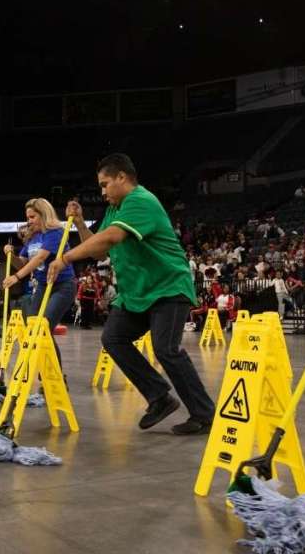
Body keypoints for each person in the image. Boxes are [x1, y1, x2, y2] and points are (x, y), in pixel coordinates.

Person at [48, 153, 216, 435]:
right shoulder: (116, 208)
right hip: (137, 293)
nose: (102, 192)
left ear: (122, 178)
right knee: (113, 338)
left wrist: (64, 258)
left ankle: (205, 414)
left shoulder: (141, 201)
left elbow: (112, 237)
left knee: (166, 349)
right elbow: (99, 248)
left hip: (167, 287)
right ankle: (159, 397)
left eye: (105, 184)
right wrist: (78, 223)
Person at [1, 198, 77, 366]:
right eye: (28, 217)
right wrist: (10, 255)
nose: (29, 221)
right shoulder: (32, 238)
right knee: (34, 329)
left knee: (44, 328)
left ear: (44, 215)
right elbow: (22, 263)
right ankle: (47, 376)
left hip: (62, 286)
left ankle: (53, 380)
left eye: (32, 217)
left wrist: (16, 277)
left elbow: (41, 257)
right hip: (43, 286)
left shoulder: (56, 232)